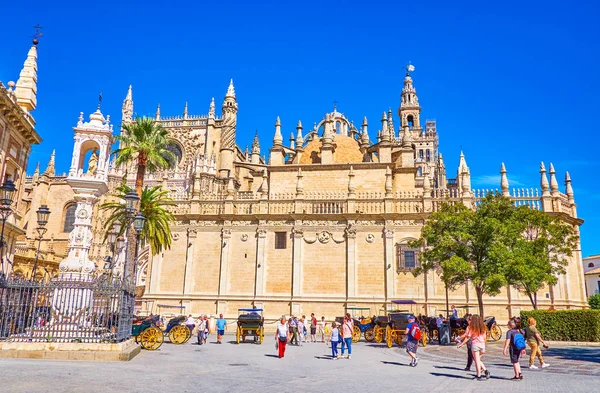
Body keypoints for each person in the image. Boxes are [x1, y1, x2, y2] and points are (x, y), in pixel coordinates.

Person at [457, 314, 490, 380]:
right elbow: (485, 337)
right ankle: (486, 371)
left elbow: (468, 336)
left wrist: (461, 342)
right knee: (477, 360)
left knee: (477, 361)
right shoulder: (483, 327)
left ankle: (479, 375)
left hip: (475, 345)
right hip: (482, 345)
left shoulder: (472, 328)